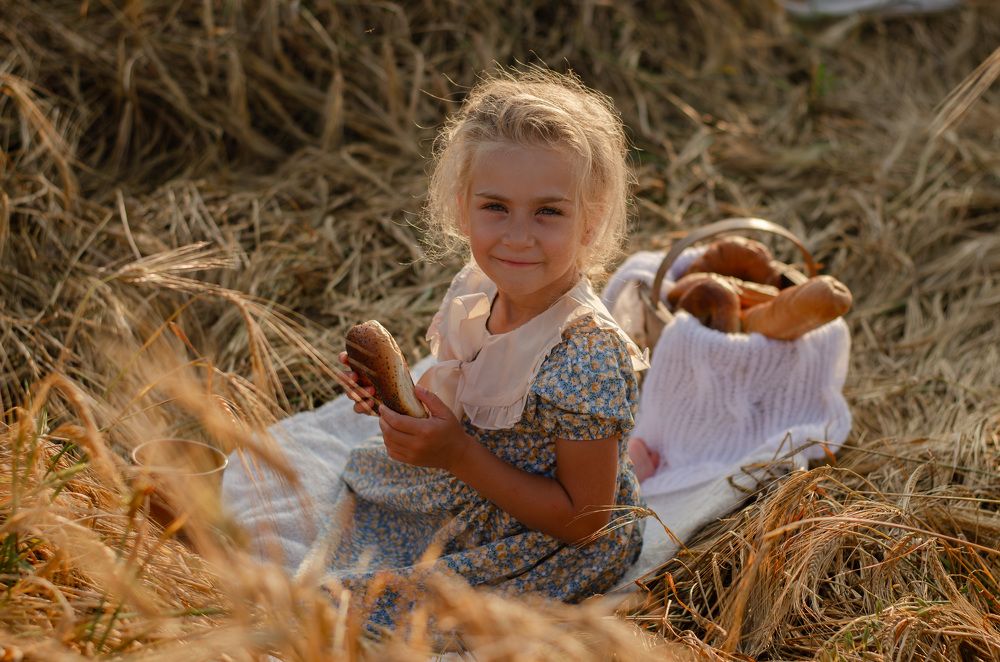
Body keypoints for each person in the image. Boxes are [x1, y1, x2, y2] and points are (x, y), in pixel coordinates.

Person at [329, 67, 649, 633]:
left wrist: (457, 456)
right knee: (363, 496)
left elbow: (587, 520)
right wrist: (403, 408)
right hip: (482, 484)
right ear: (463, 205)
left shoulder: (586, 355)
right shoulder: (479, 292)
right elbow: (477, 398)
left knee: (364, 606)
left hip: (545, 538)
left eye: (548, 211)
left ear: (591, 218)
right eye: (495, 207)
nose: (517, 236)